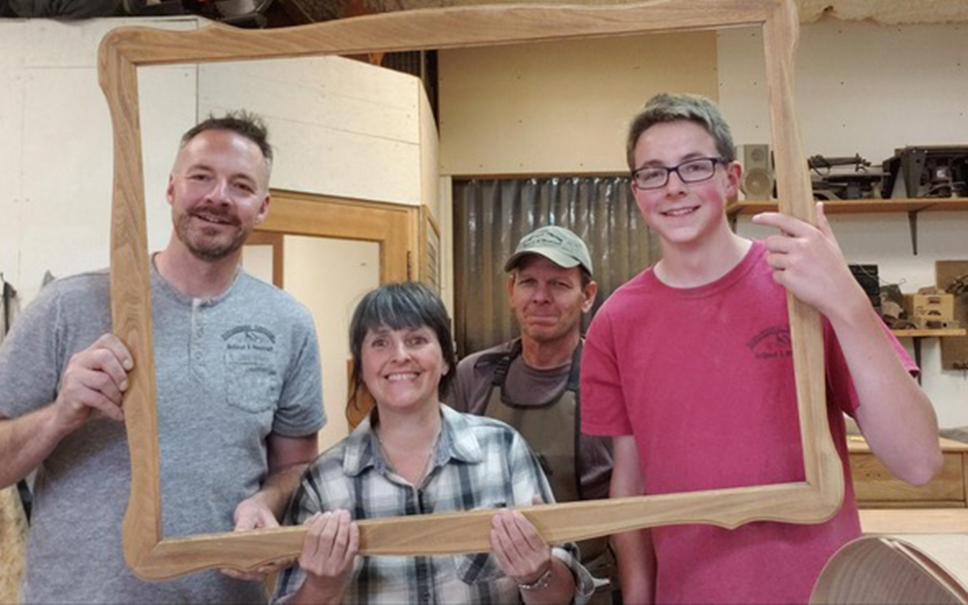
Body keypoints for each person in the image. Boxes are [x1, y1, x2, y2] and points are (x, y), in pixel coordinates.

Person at [0, 111, 326, 603]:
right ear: (170, 189)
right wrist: (59, 416)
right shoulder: (70, 306)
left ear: (264, 206)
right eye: (201, 177)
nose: (218, 197)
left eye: (241, 185)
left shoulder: (288, 323)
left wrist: (267, 502)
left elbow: (296, 466)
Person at [580, 93, 942, 604]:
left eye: (694, 166)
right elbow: (631, 484)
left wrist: (848, 302)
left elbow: (920, 462)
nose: (675, 186)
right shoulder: (616, 320)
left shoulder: (803, 283)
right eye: (653, 172)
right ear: (636, 190)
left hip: (820, 593)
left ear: (731, 178)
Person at [272, 282, 596, 604]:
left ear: (444, 360)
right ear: (361, 365)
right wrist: (321, 588)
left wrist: (536, 574)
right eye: (380, 343)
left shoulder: (503, 450)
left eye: (417, 340)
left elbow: (562, 596)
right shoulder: (325, 481)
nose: (400, 356)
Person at [445, 225, 619, 603]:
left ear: (587, 296)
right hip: (488, 588)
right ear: (511, 291)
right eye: (528, 283)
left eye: (558, 284)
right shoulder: (473, 376)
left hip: (588, 590)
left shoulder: (611, 379)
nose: (541, 297)